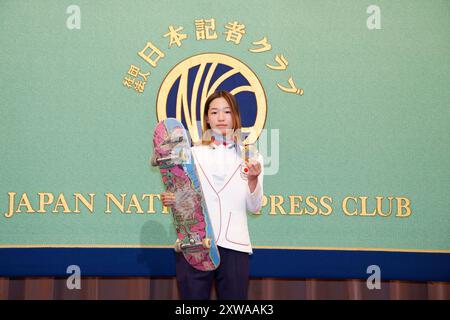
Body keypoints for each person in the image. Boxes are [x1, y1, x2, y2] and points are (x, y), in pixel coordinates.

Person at [161, 90, 263, 300]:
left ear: (235, 116)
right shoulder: (190, 154)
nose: (221, 117)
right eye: (214, 112)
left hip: (234, 246)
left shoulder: (251, 156)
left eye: (227, 111)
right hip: (196, 243)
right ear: (207, 118)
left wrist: (253, 179)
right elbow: (186, 197)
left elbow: (255, 207)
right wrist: (174, 200)